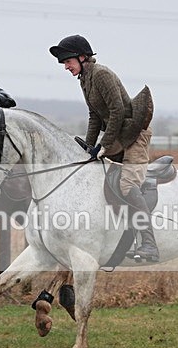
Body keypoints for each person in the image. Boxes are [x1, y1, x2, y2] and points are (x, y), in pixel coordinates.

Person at [49, 34, 158, 262]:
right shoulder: (85, 79)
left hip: (134, 135)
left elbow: (117, 111)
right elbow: (94, 116)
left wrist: (104, 145)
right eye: (64, 63)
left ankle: (149, 243)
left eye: (67, 61)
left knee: (127, 185)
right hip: (117, 135)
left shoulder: (101, 75)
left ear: (82, 57)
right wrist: (88, 147)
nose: (65, 67)